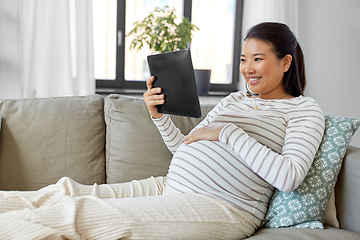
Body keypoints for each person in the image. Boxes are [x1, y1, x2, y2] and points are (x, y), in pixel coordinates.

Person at [0, 22, 324, 239]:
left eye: (257, 59)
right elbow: (187, 146)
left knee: (79, 215)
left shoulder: (303, 110)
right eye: (243, 59)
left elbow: (289, 176)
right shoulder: (236, 99)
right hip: (170, 185)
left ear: (285, 62)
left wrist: (228, 133)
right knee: (64, 191)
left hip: (224, 206)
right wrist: (158, 116)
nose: (247, 69)